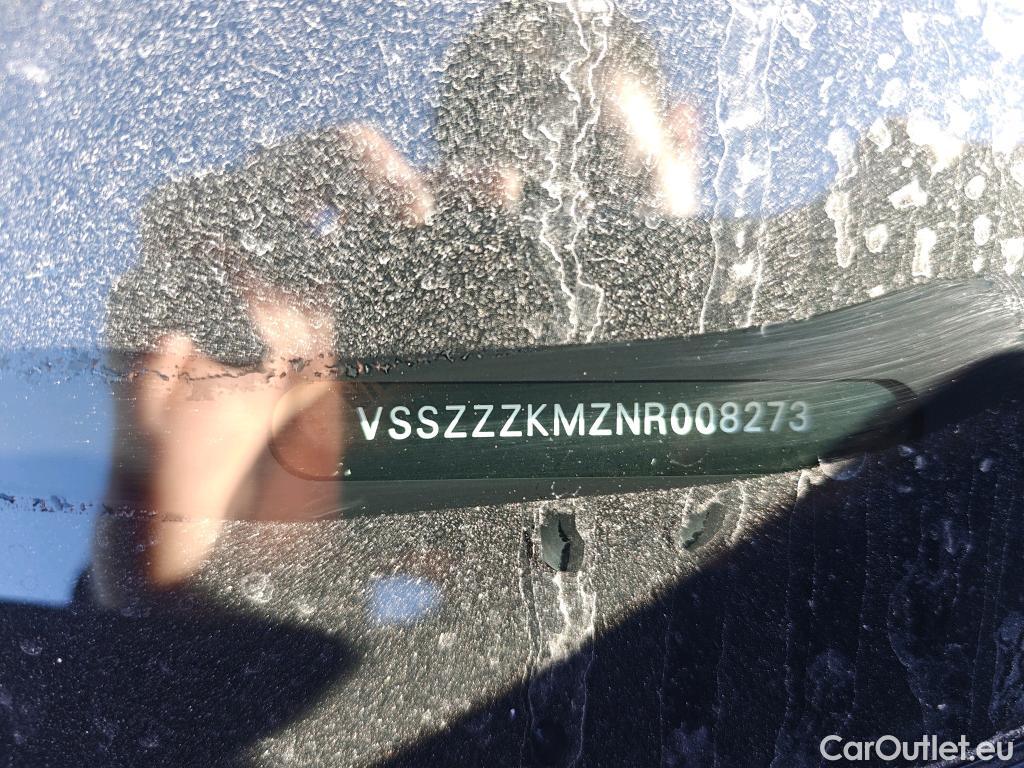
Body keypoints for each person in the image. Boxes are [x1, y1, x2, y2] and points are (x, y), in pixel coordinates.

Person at [85, 1, 1024, 765]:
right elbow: (237, 699)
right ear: (448, 208)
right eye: (519, 191)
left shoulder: (886, 339)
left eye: (594, 167)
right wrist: (172, 527)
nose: (559, 241)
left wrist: (957, 227)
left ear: (684, 135)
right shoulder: (415, 448)